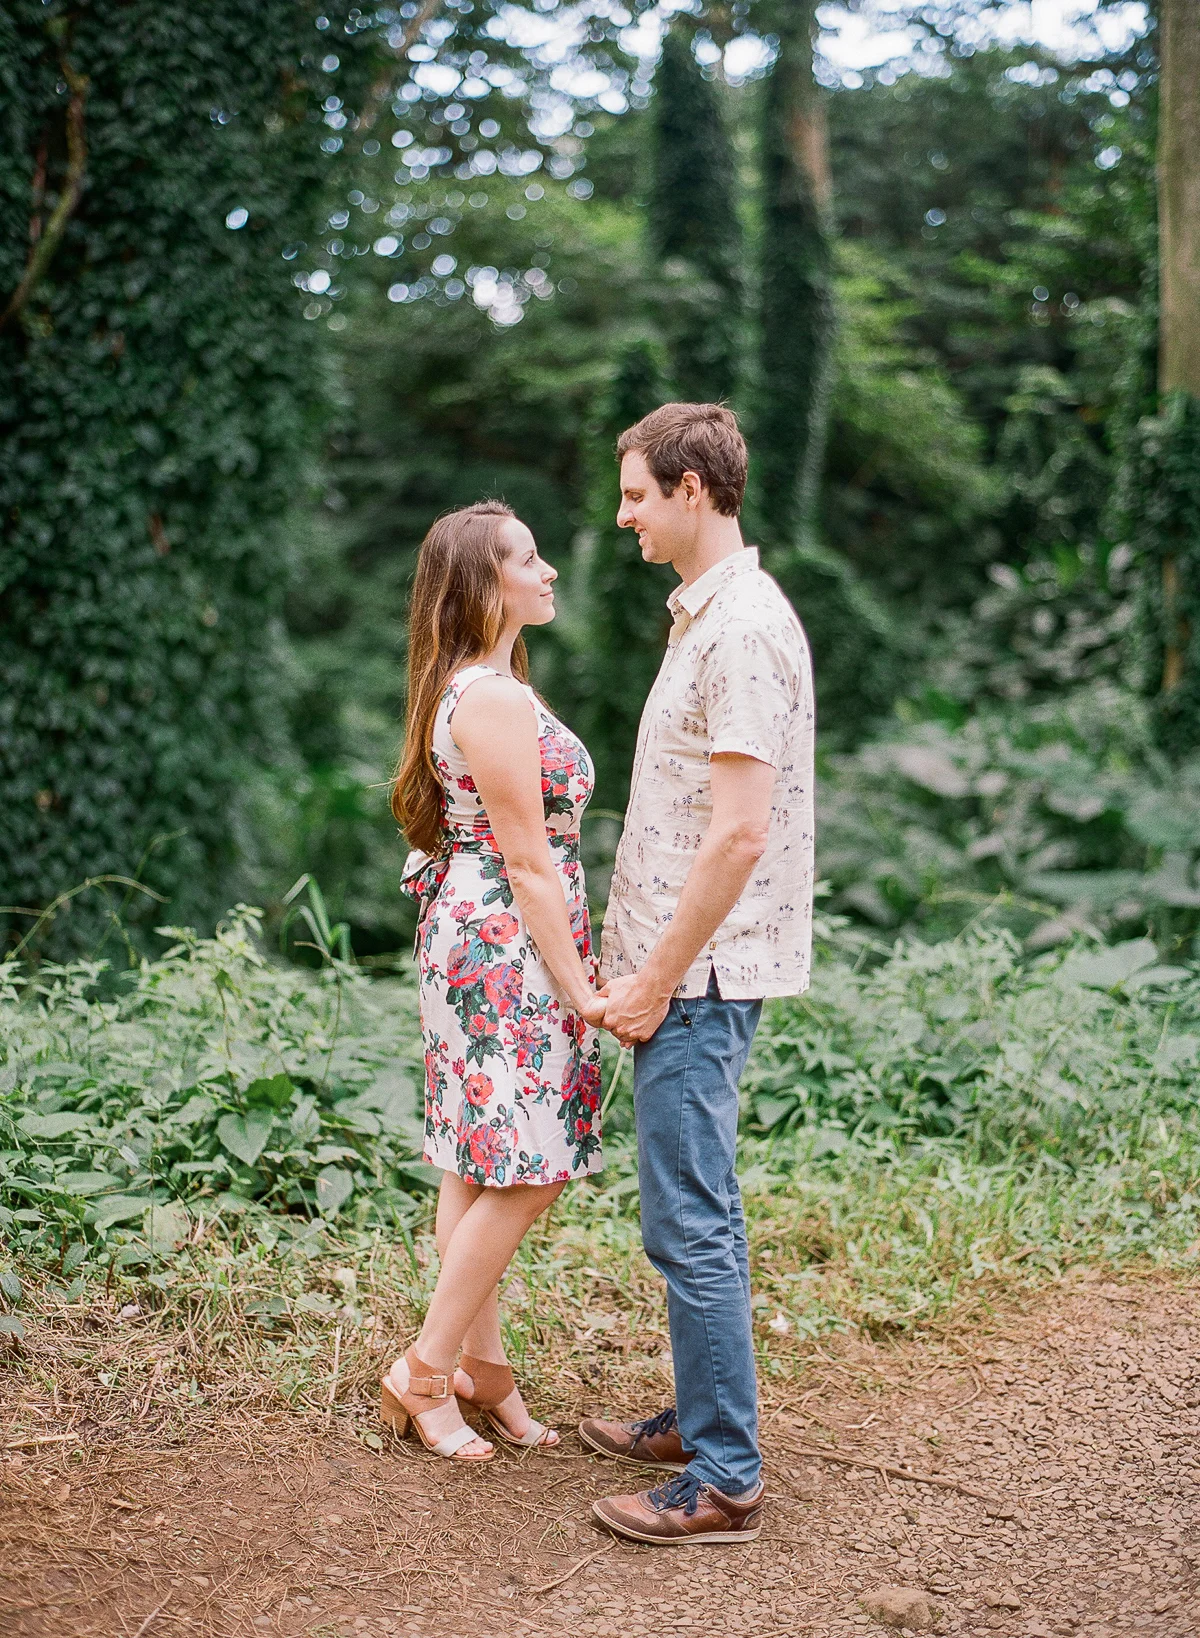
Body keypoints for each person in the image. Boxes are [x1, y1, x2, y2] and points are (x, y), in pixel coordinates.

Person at [581, 403, 815, 1543]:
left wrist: (655, 978)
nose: (621, 514)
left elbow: (737, 834)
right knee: (685, 1210)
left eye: (634, 493)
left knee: (691, 1219)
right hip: (690, 970)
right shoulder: (705, 618)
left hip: (703, 977)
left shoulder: (739, 630)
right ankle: (698, 1418)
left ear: (690, 490)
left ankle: (723, 1476)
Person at [383, 500, 606, 1462]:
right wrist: (582, 990)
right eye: (529, 559)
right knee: (534, 1161)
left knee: (475, 1161)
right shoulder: (496, 698)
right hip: (510, 941)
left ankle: (484, 1370)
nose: (549, 570)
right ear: (483, 583)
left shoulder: (478, 685)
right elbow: (528, 858)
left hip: (475, 932)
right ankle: (425, 1370)